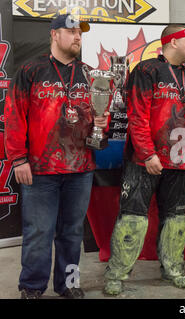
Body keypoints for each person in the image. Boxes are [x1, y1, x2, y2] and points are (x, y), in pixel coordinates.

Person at [4, 14, 109, 299]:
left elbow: (98, 116)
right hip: (40, 169)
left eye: (80, 33)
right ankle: (32, 287)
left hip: (80, 168)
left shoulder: (90, 74)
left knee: (72, 232)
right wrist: (18, 159)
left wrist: (102, 124)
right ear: (54, 34)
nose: (77, 37)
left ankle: (69, 283)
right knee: (39, 232)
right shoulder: (30, 70)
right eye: (71, 31)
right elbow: (14, 116)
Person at [103, 25, 185, 295]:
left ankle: (173, 269)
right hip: (143, 161)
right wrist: (148, 154)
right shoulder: (146, 71)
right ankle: (117, 273)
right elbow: (137, 115)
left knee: (177, 219)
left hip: (180, 162)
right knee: (133, 220)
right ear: (172, 43)